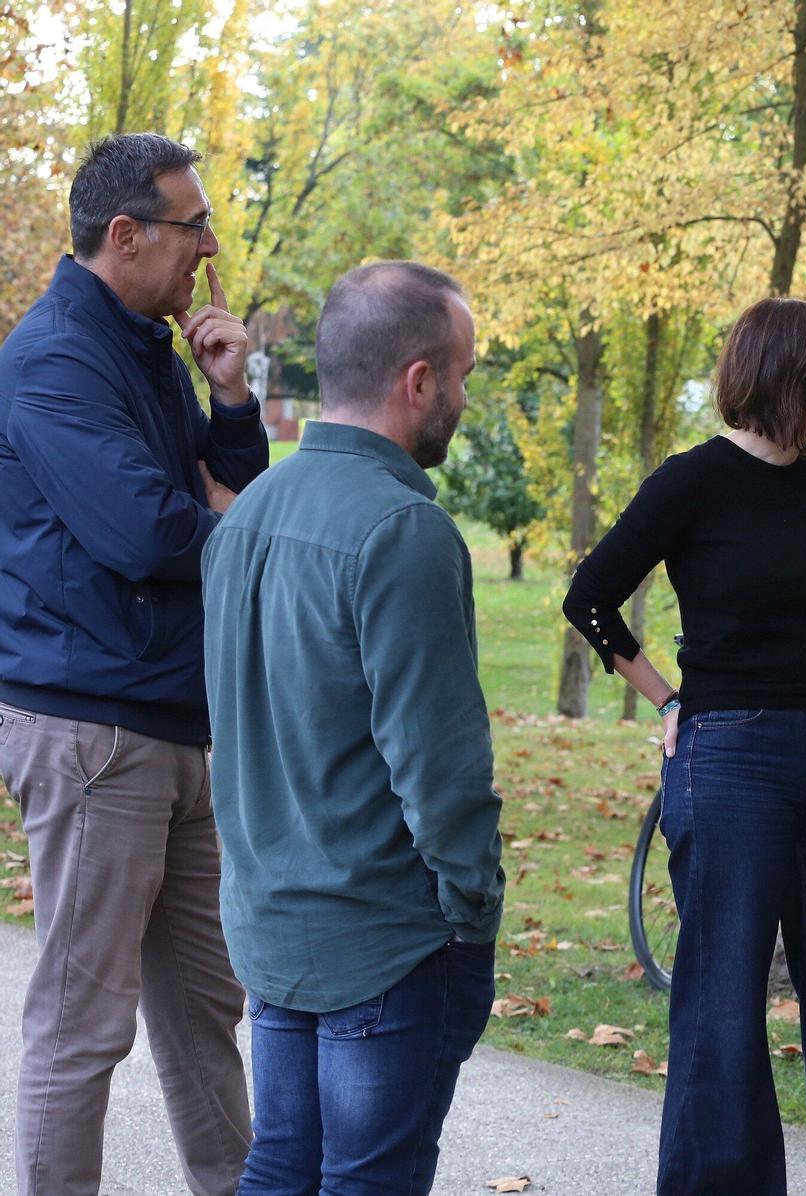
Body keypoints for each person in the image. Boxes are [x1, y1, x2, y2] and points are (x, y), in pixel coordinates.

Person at [563, 298, 806, 1196]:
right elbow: (592, 597)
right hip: (730, 761)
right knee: (723, 1002)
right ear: (783, 375)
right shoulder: (693, 481)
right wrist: (666, 699)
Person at [0, 132, 265, 1196]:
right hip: (93, 730)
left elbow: (212, 495)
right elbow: (152, 533)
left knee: (207, 1010)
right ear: (127, 235)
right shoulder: (55, 358)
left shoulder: (148, 346)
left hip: (172, 720)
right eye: (193, 225)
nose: (208, 248)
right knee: (84, 1021)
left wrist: (232, 401)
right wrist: (250, 528)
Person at [203, 261, 504, 1190]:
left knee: (283, 1168)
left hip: (273, 922)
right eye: (460, 375)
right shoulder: (402, 530)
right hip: (384, 937)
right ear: (419, 380)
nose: (462, 395)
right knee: (369, 1177)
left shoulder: (247, 514)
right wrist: (472, 913)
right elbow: (441, 769)